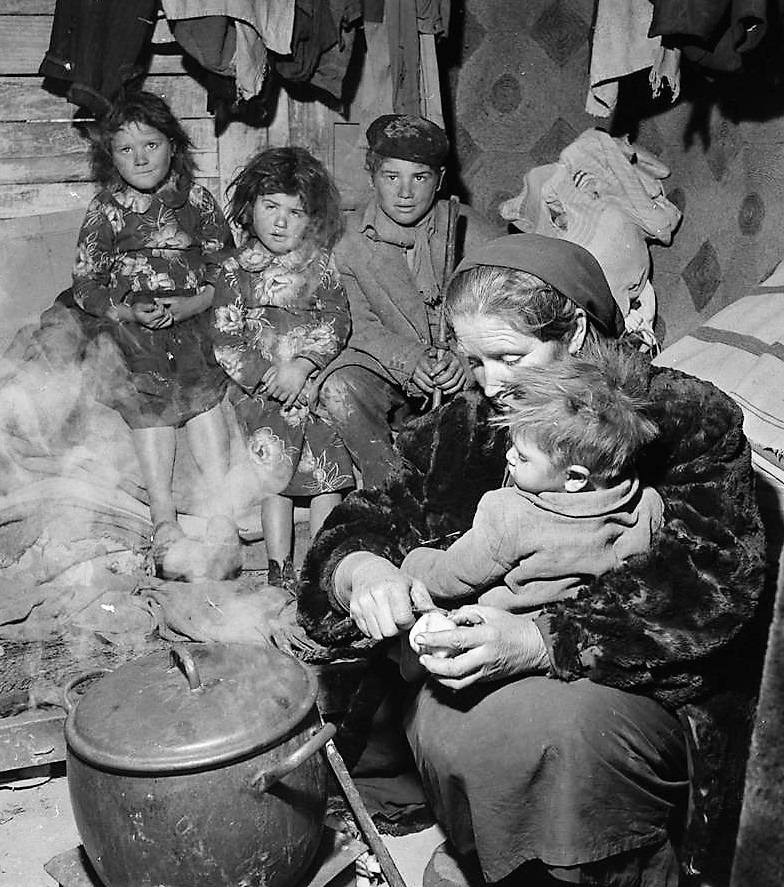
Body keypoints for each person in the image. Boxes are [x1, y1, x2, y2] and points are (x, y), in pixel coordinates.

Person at [297, 234, 766, 886]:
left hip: (626, 684)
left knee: (551, 732)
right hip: (472, 664)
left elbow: (711, 580)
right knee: (454, 722)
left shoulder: (679, 419)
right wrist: (360, 571)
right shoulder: (465, 425)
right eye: (475, 359)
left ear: (573, 330)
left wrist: (541, 639)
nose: (489, 384)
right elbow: (362, 521)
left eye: (509, 356)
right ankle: (488, 849)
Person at [69, 90, 240, 579]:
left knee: (204, 393)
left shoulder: (198, 200)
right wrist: (125, 311)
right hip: (132, 324)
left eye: (151, 144)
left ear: (173, 146)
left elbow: (224, 267)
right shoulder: (106, 210)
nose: (140, 158)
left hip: (193, 316)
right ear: (110, 156)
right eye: (125, 149)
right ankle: (164, 521)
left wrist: (194, 302)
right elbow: (86, 281)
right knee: (145, 392)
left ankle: (222, 513)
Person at [400, 341, 663, 620]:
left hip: (504, 629)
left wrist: (413, 562)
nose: (510, 456)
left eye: (523, 457)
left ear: (573, 477)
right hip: (578, 626)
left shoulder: (510, 515)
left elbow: (453, 577)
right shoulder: (645, 503)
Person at [318, 113, 502, 488]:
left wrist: (465, 362)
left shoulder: (472, 232)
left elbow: (499, 314)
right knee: (339, 385)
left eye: (419, 177)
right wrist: (409, 359)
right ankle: (389, 490)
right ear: (372, 178)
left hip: (457, 373)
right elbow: (358, 324)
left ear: (440, 181)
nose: (405, 192)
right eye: (391, 177)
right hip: (387, 369)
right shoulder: (347, 239)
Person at [212, 146, 354, 589]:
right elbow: (227, 339)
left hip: (312, 388)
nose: (280, 222)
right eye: (270, 207)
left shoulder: (321, 264)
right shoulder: (234, 270)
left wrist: (307, 364)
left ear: (312, 218)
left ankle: (319, 568)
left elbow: (337, 319)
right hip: (264, 397)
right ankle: (279, 569)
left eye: (295, 212)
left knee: (327, 476)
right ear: (250, 206)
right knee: (276, 480)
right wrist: (268, 380)